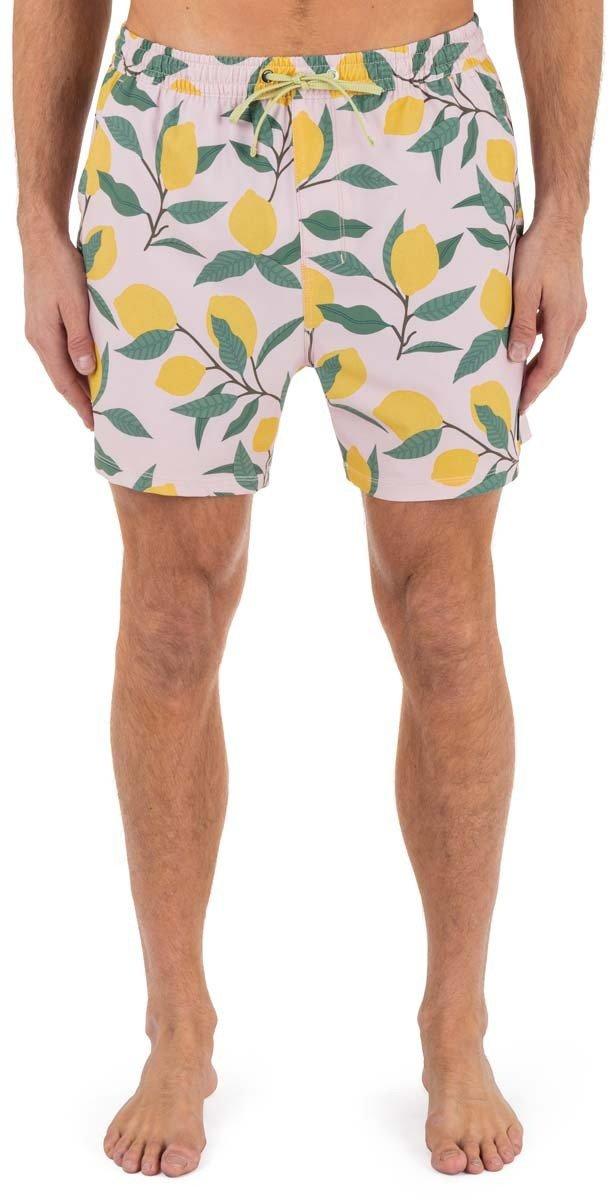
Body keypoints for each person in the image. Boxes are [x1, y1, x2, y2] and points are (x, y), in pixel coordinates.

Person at [13, 0, 602, 1179]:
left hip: (422, 133)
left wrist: (565, 213)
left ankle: (456, 1022)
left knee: (445, 616)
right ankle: (176, 1025)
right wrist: (37, 221)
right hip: (177, 133)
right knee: (169, 616)